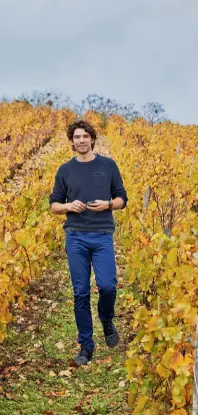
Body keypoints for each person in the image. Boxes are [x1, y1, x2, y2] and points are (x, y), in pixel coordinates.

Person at [49, 119, 128, 365]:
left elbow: (122, 198)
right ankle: (86, 346)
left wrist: (108, 204)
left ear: (92, 139)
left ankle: (106, 318)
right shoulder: (65, 170)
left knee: (107, 286)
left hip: (102, 234)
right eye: (77, 137)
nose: (81, 140)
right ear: (72, 141)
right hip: (76, 236)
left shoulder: (108, 165)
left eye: (85, 136)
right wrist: (68, 206)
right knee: (80, 292)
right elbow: (54, 205)